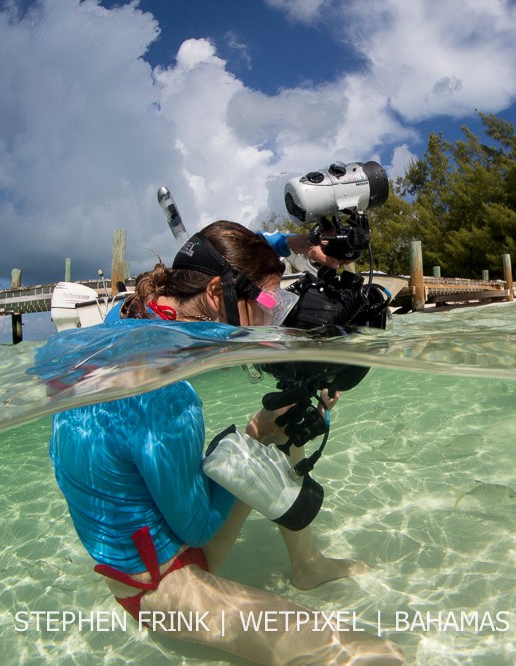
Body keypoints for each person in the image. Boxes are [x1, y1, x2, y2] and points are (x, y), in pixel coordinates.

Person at [45, 221, 403, 665]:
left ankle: (308, 565)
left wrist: (293, 244)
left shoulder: (129, 312)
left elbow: (218, 253)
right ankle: (306, 562)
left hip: (135, 557)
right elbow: (198, 530)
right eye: (269, 304)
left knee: (283, 421)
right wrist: (253, 435)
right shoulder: (168, 398)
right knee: (368, 655)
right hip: (163, 585)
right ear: (218, 292)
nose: (271, 318)